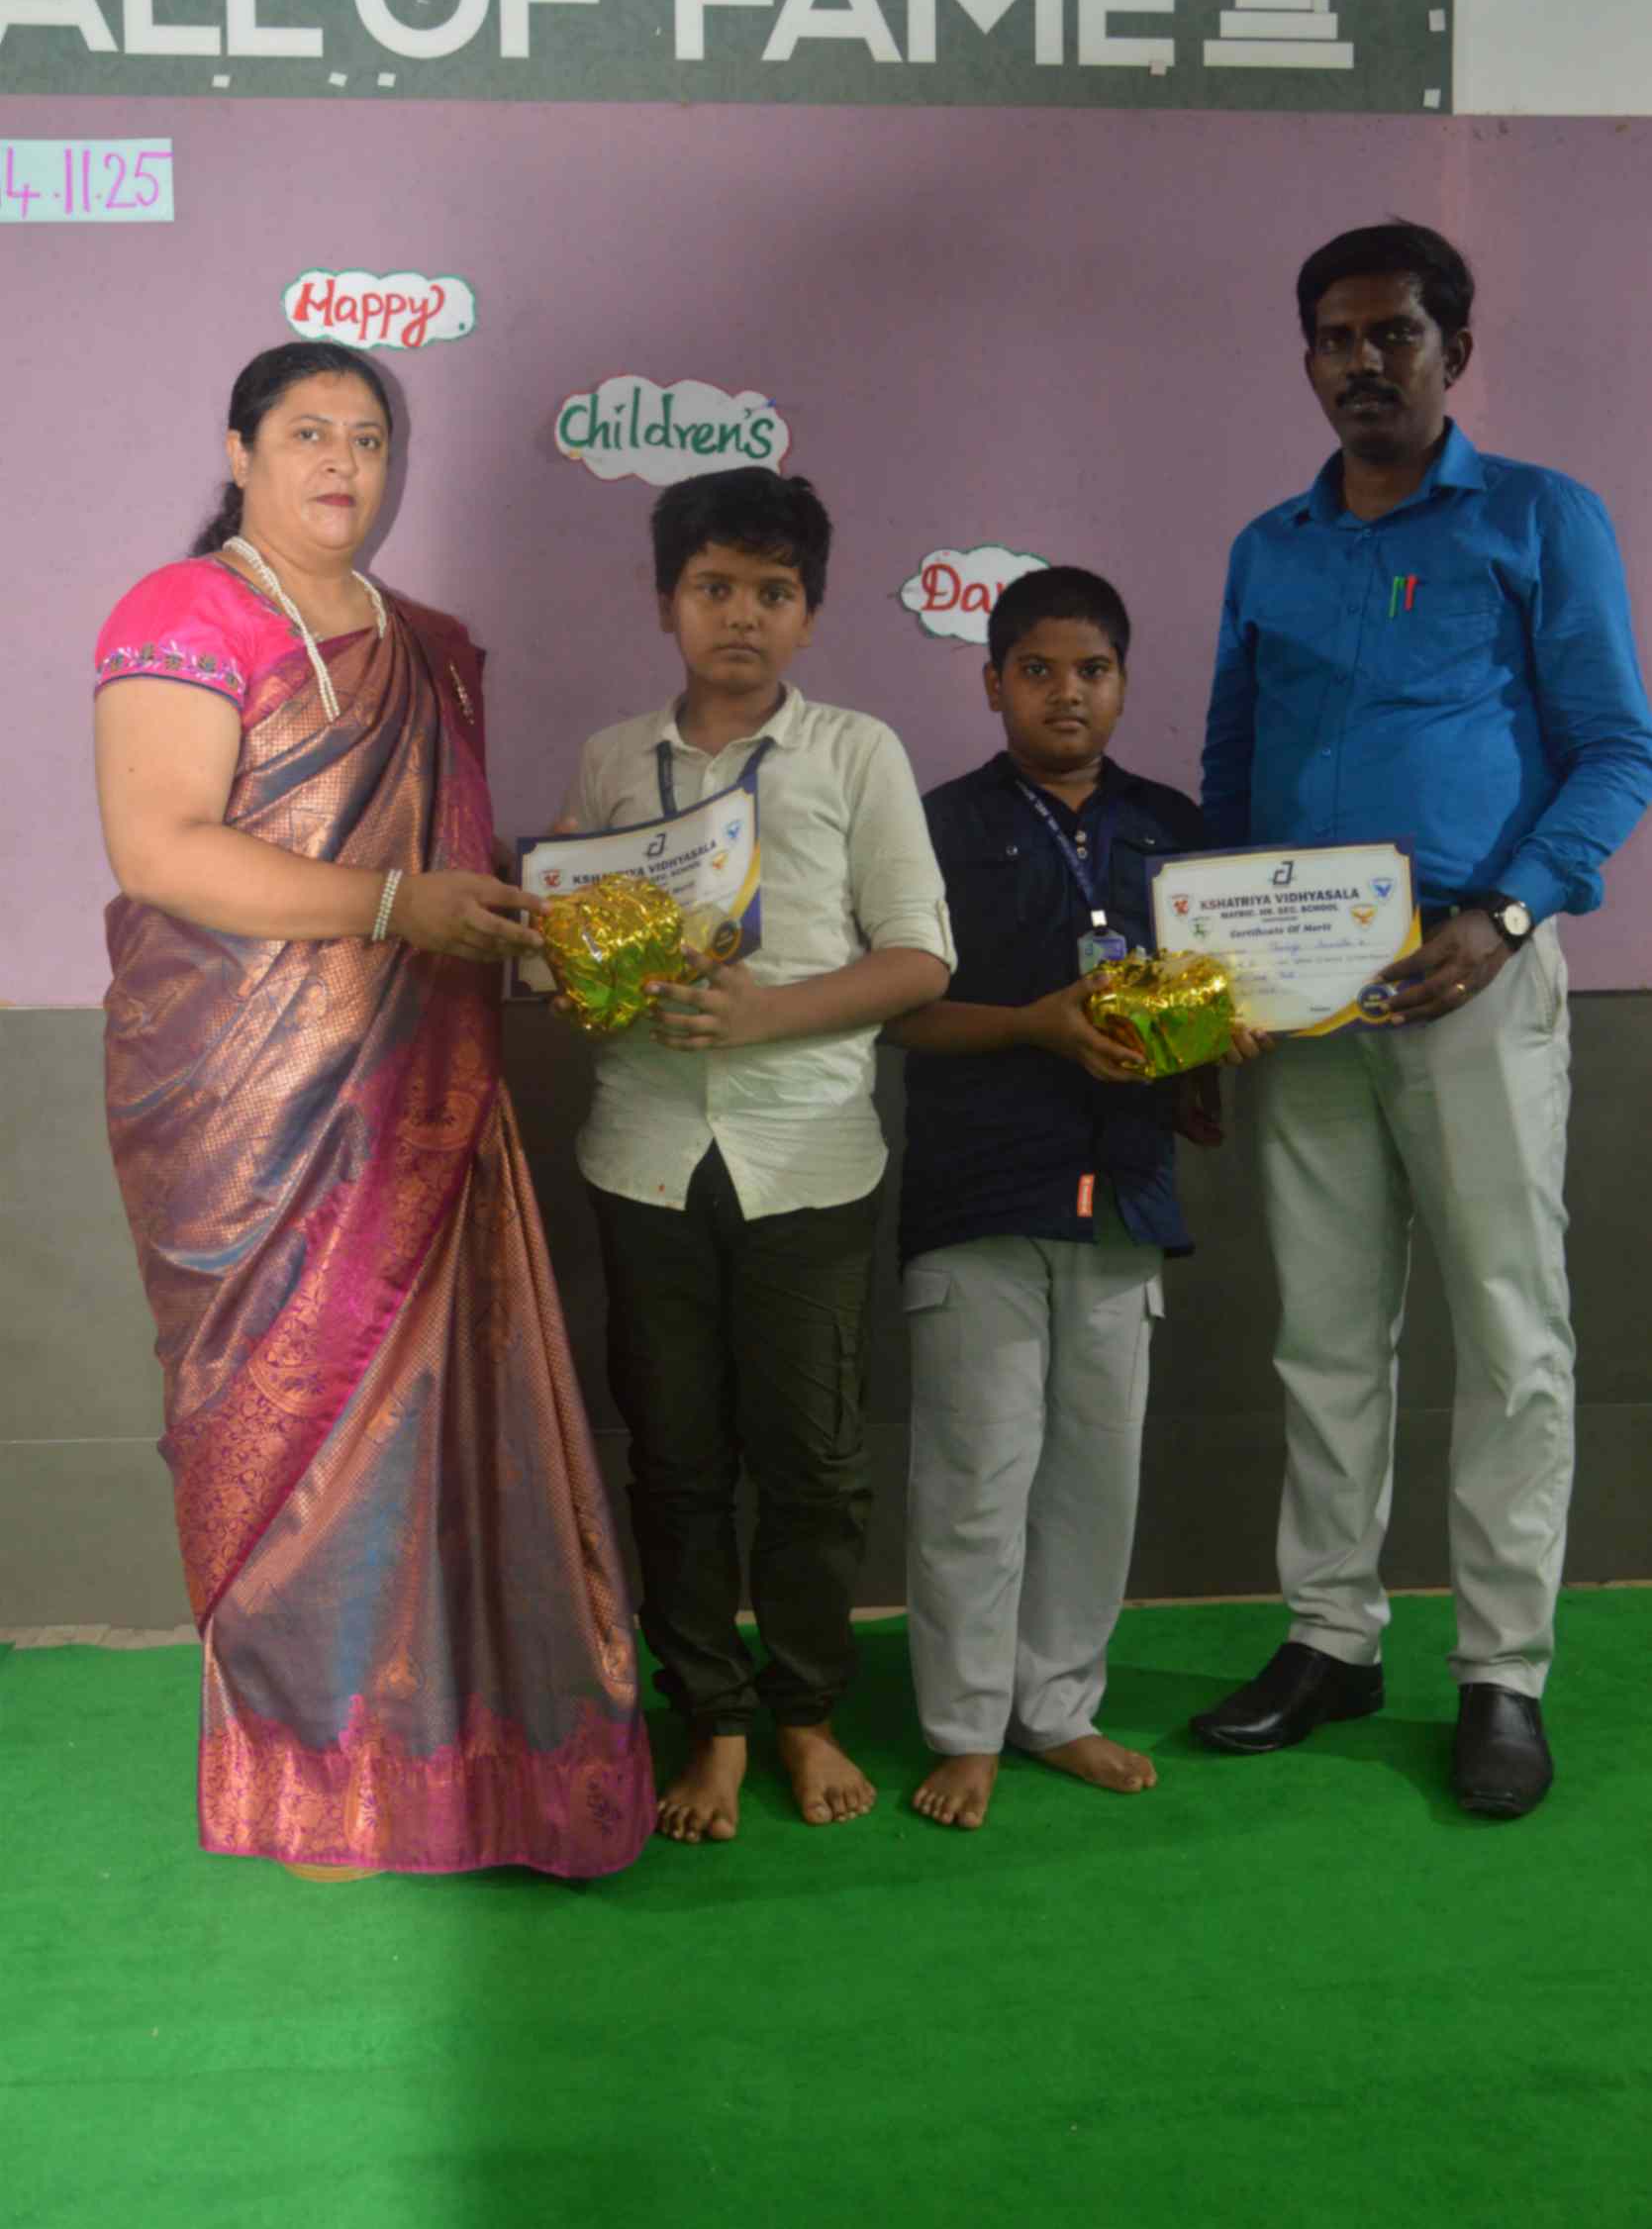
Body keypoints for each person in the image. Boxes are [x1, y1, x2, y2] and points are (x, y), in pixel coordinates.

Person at [93, 340, 653, 1879]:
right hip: (246, 1113)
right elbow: (161, 849)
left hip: (427, 1091)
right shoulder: (184, 611)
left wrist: (561, 913)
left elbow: (456, 865)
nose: (341, 461)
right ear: (240, 449)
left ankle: (472, 1770)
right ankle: (312, 1777)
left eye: (367, 435)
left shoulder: (430, 645)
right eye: (307, 432)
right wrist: (398, 904)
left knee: (445, 1429)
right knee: (296, 1434)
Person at [1196, 222, 1652, 1815]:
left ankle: (1501, 1672)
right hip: (1301, 992)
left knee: (1510, 1334)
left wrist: (1506, 914)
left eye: (1392, 333)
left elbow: (1617, 749)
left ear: (1454, 349)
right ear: (1306, 359)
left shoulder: (1536, 516)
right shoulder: (1268, 547)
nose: (1361, 362)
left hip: (1473, 965)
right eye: (1334, 337)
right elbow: (1231, 763)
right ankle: (1331, 1638)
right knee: (1324, 1334)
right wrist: (1217, 968)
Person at [558, 465, 952, 1844]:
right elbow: (577, 949)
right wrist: (568, 966)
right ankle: (711, 1717)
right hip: (644, 1152)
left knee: (813, 1460)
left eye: (772, 591)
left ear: (810, 610)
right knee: (673, 1457)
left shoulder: (857, 751)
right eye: (713, 586)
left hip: (810, 1156)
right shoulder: (613, 762)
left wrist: (767, 1013)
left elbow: (921, 956)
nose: (741, 614)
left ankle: (803, 1709)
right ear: (665, 600)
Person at [888, 565, 1258, 1829]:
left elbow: (1222, 986)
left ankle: (1055, 1707)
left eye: (1091, 670)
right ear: (992, 681)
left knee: (1095, 1475)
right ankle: (964, 1724)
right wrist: (1033, 1024)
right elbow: (899, 1013)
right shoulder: (934, 826)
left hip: (1126, 1192)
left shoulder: (1174, 827)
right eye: (1037, 669)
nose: (1066, 692)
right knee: (975, 1473)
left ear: (1123, 684)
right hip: (979, 1192)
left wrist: (1230, 1025)